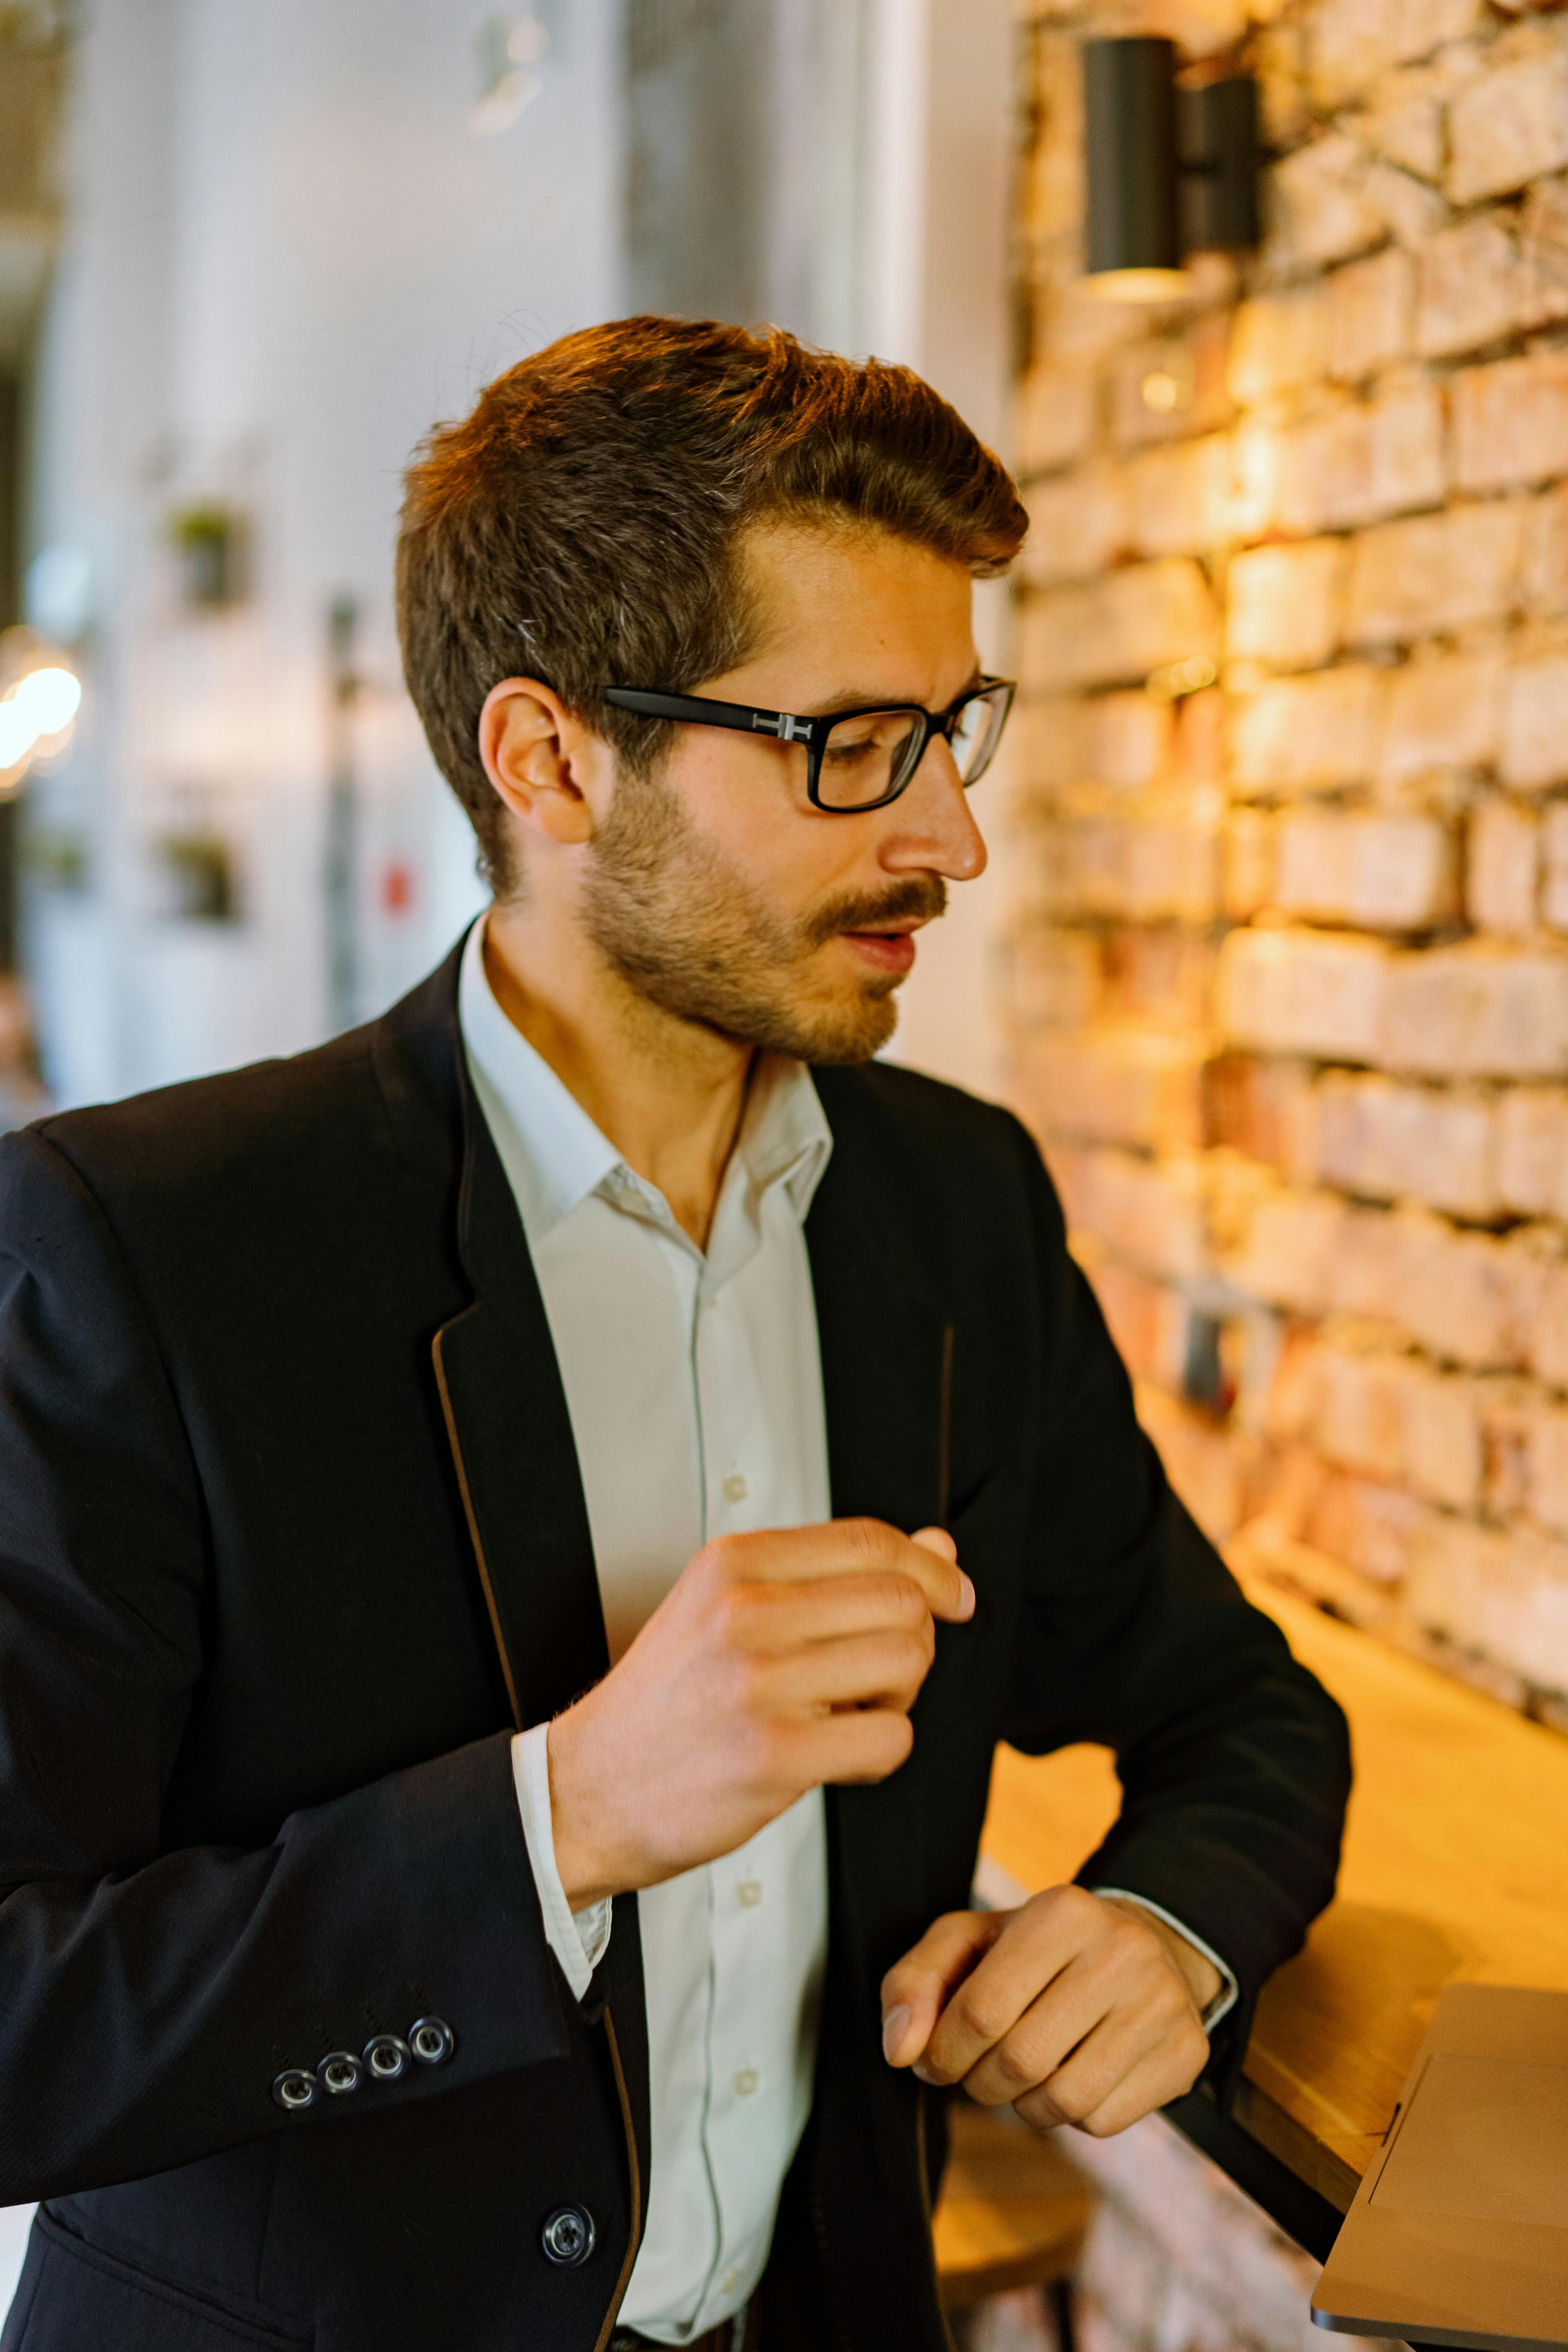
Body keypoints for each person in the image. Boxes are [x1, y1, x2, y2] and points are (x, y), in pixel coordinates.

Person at [0, 318, 1350, 2352]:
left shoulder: (955, 1206)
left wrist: (1168, 1930)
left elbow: (1243, 1716)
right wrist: (568, 1818)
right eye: (844, 748)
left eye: (947, 729)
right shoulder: (141, 1250)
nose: (946, 842)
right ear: (549, 761)